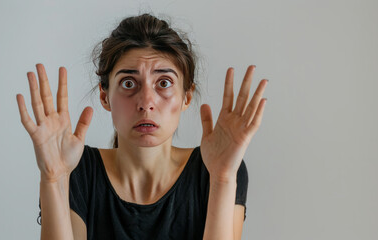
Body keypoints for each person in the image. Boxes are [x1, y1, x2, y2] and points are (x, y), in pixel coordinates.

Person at [16, 14, 268, 240]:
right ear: (105, 97)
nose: (146, 103)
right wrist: (54, 178)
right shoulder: (77, 170)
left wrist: (223, 178)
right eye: (128, 83)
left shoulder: (215, 168)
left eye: (164, 83)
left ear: (186, 97)